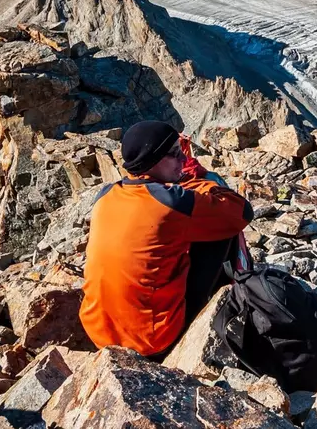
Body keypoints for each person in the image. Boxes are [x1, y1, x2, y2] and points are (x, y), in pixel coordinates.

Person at [79, 120, 253, 359]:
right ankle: (237, 305)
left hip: (98, 333)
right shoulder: (170, 203)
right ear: (153, 161)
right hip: (152, 340)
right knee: (222, 229)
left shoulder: (106, 194)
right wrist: (201, 181)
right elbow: (242, 212)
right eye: (174, 153)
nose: (182, 158)